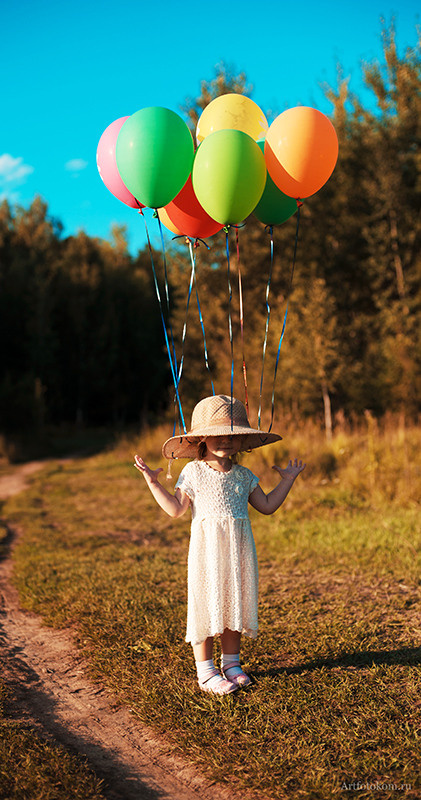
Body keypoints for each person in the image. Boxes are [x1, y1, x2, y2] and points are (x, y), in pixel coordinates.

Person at [134, 394, 305, 696]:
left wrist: (288, 480)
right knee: (206, 605)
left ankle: (231, 663)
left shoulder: (244, 475)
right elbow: (176, 509)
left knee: (233, 604)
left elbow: (266, 506)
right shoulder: (194, 472)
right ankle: (205, 671)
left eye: (233, 436)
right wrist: (153, 483)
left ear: (242, 442)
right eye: (218, 435)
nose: (226, 441)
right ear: (202, 438)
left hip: (237, 551)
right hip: (206, 552)